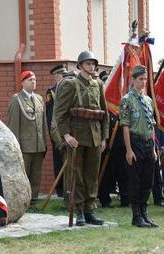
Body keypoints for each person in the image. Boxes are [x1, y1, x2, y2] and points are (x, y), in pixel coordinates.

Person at [54, 50, 109, 226]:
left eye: (93, 64)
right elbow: (60, 113)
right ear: (80, 66)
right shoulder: (70, 84)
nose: (91, 67)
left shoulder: (98, 84)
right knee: (76, 174)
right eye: (87, 64)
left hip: (94, 136)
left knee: (92, 175)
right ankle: (79, 211)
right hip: (77, 136)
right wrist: (66, 134)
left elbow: (104, 113)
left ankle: (90, 209)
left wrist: (104, 137)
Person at [119, 65, 158, 228]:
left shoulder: (148, 100)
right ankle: (136, 215)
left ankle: (144, 212)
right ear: (133, 79)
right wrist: (129, 150)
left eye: (145, 79)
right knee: (135, 180)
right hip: (135, 142)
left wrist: (154, 148)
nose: (143, 82)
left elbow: (152, 125)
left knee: (148, 180)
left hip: (148, 143)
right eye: (140, 79)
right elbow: (125, 125)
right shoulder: (127, 100)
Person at [7, 71, 48, 205]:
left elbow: (43, 123)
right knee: (24, 174)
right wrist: (16, 146)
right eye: (30, 80)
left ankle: (34, 199)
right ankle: (23, 200)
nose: (33, 82)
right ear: (23, 82)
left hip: (38, 145)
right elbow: (14, 125)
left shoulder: (39, 99)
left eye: (35, 80)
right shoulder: (17, 99)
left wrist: (44, 143)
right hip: (25, 146)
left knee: (36, 174)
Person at [46, 64, 68, 197]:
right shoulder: (52, 92)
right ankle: (60, 190)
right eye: (61, 75)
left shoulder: (68, 90)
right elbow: (50, 118)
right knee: (59, 162)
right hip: (58, 134)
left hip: (69, 133)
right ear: (56, 77)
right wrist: (57, 138)